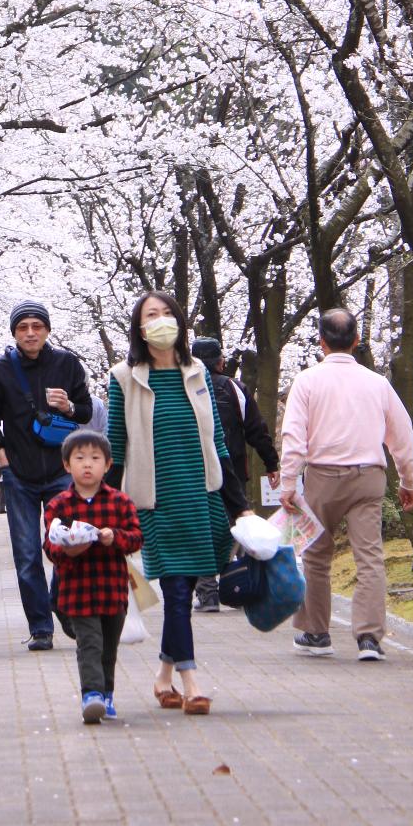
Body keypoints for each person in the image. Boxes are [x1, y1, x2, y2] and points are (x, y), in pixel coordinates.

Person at [108, 293, 245, 715]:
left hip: (200, 494)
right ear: (140, 327)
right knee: (177, 589)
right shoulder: (124, 377)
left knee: (183, 588)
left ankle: (163, 677)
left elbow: (216, 438)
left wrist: (239, 503)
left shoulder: (196, 370)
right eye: (152, 315)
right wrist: (106, 506)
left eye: (168, 314)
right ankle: (192, 684)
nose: (162, 321)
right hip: (156, 499)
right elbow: (116, 443)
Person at [279, 305, 413, 662]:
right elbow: (401, 435)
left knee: (315, 554)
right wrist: (408, 481)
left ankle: (316, 632)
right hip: (368, 476)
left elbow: (294, 436)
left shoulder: (307, 381)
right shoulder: (377, 383)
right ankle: (369, 638)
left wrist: (289, 483)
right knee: (369, 557)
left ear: (321, 342)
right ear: (357, 341)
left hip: (322, 476)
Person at [0, 302, 93, 650]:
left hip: (61, 472)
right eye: (23, 327)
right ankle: (41, 627)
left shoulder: (67, 364)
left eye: (37, 326)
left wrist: (68, 407)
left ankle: (60, 600)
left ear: (47, 330)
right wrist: (2, 458)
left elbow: (86, 411)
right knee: (26, 553)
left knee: (67, 546)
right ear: (14, 332)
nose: (30, 332)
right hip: (19, 477)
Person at [43, 429, 143, 724]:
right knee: (90, 642)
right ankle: (91, 695)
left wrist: (117, 537)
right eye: (80, 458)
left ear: (108, 465)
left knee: (108, 647)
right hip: (78, 589)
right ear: (66, 464)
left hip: (113, 588)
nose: (87, 464)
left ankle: (106, 693)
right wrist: (68, 550)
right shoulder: (59, 505)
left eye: (95, 458)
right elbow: (50, 545)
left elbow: (137, 537)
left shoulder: (120, 502)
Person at [190, 335, 280, 612]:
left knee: (202, 530)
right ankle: (240, 583)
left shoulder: (183, 387)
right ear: (221, 361)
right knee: (237, 525)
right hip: (231, 471)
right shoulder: (234, 388)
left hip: (193, 473)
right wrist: (271, 462)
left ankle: (207, 594)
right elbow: (257, 429)